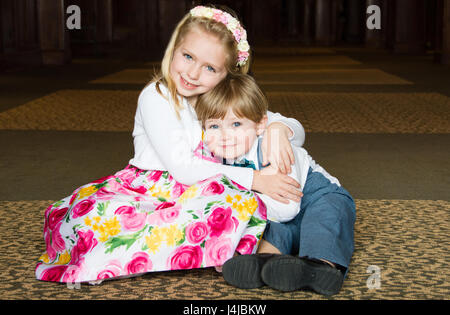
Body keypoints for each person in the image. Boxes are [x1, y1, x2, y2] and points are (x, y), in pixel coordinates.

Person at [35, 5, 305, 284]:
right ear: (174, 49)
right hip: (148, 191)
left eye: (210, 68)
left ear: (228, 75)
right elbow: (184, 168)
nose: (193, 73)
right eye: (187, 56)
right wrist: (256, 178)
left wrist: (277, 130)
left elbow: (279, 121)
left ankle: (216, 248)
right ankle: (211, 248)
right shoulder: (157, 96)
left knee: (238, 203)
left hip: (198, 191)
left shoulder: (217, 97)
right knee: (97, 221)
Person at [195, 74, 356, 296]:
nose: (224, 135)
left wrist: (239, 215)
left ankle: (320, 267)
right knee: (272, 230)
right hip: (275, 211)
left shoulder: (273, 149)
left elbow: (287, 207)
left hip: (314, 198)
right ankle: (266, 263)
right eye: (214, 126)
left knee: (326, 219)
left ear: (260, 125)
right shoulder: (216, 158)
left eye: (236, 124)